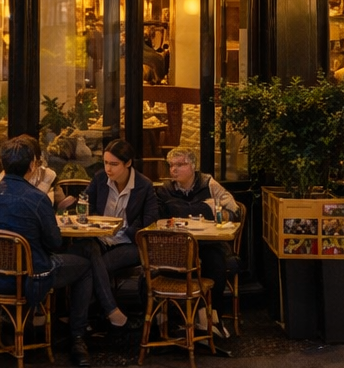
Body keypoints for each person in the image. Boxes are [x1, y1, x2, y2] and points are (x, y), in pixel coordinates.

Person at [0, 136, 94, 366]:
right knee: (85, 266)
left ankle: (17, 327)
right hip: (33, 279)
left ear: (2, 164)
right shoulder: (37, 199)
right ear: (32, 166)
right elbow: (54, 242)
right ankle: (77, 336)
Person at [71, 139, 159, 331]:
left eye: (114, 164)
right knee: (89, 252)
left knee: (93, 265)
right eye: (106, 163)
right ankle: (111, 312)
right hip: (101, 238)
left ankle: (86, 318)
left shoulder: (144, 186)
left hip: (129, 242)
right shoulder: (100, 179)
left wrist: (123, 227)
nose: (108, 169)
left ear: (128, 163)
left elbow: (149, 221)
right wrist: (96, 221)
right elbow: (86, 203)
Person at [156, 146, 239, 340]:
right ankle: (177, 319)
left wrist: (218, 213)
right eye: (171, 165)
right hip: (177, 246)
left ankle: (211, 316)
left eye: (180, 164)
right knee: (167, 264)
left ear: (193, 166)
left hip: (208, 243)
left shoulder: (209, 184)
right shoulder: (165, 190)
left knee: (216, 261)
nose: (173, 170)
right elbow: (157, 218)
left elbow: (234, 211)